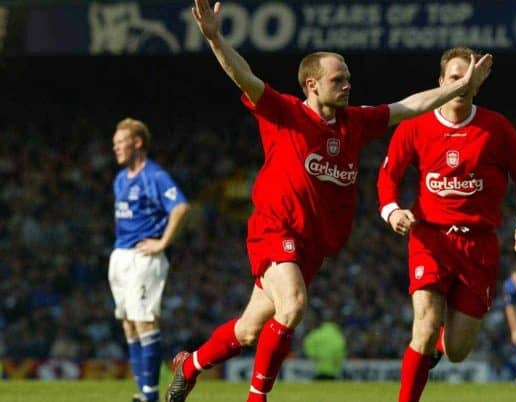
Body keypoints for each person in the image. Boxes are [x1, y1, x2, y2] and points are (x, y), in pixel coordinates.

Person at [165, 2, 492, 401]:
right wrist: (215, 38)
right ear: (312, 84)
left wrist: (459, 88)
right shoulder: (284, 113)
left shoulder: (355, 123)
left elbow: (409, 106)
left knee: (250, 328)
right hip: (275, 230)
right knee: (294, 305)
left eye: (349, 78)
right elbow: (243, 76)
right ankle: (256, 398)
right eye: (339, 79)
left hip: (312, 247)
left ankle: (191, 364)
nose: (347, 85)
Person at [376, 46, 516, 402]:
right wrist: (392, 210)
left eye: (469, 77)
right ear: (441, 82)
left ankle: (437, 345)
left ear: (478, 83)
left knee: (456, 350)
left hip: (479, 245)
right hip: (430, 238)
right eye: (454, 77)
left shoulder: (496, 127)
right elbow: (388, 175)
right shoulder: (415, 126)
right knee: (424, 322)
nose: (462, 84)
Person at [109, 117, 191, 402]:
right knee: (129, 323)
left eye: (121, 142)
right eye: (115, 143)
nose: (116, 148)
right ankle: (144, 392)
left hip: (144, 257)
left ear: (138, 143)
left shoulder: (154, 175)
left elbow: (180, 206)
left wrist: (163, 242)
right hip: (120, 254)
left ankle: (151, 396)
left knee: (145, 322)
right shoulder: (121, 179)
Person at [303, 312, 347, 380]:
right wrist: (337, 361)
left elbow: (307, 343)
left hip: (318, 369)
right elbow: (341, 351)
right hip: (332, 370)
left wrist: (313, 355)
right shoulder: (338, 336)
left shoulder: (316, 333)